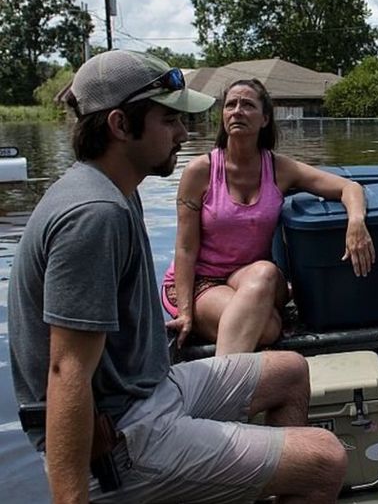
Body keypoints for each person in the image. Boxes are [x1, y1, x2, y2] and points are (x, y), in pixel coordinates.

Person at [8, 50, 347, 503]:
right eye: (169, 120)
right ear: (120, 126)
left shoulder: (115, 191)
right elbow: (65, 369)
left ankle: (262, 479)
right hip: (124, 437)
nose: (184, 133)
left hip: (150, 389)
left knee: (288, 370)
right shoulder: (94, 214)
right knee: (325, 458)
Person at [161, 78, 375, 355]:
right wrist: (187, 314)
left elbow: (349, 187)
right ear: (223, 116)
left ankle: (222, 384)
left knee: (265, 272)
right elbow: (186, 249)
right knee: (268, 328)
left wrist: (356, 223)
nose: (237, 111)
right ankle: (224, 389)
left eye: (247, 105)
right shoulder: (199, 171)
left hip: (253, 278)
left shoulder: (279, 169)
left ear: (264, 119)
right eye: (230, 105)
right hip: (201, 283)